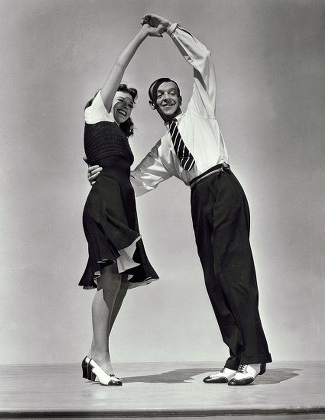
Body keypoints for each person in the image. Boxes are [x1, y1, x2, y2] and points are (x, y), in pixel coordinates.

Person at [88, 14, 272, 386]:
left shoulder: (201, 111)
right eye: (160, 97)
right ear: (154, 107)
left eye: (173, 92)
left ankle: (255, 357)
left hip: (222, 186)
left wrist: (171, 30)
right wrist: (103, 176)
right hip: (198, 199)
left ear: (182, 97)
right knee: (213, 277)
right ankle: (236, 357)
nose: (168, 98)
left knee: (235, 272)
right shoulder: (165, 148)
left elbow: (202, 59)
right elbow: (136, 181)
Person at [80, 22, 162, 386]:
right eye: (120, 100)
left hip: (122, 205)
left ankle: (96, 354)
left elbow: (123, 174)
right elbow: (119, 67)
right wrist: (143, 35)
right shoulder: (95, 114)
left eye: (131, 104)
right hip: (103, 206)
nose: (126, 105)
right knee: (109, 277)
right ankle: (100, 358)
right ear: (103, 100)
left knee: (123, 281)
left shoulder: (119, 139)